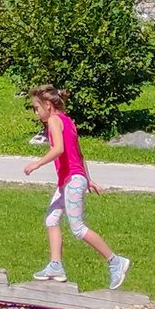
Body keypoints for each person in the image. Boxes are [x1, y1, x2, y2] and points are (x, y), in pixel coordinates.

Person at [22, 83, 129, 290]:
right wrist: (88, 179)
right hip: (70, 180)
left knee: (78, 228)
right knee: (52, 218)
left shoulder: (54, 120)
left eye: (36, 108)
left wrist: (37, 163)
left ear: (47, 105)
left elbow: (59, 149)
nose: (36, 113)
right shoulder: (68, 121)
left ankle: (115, 261)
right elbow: (79, 154)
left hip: (71, 180)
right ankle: (55, 266)